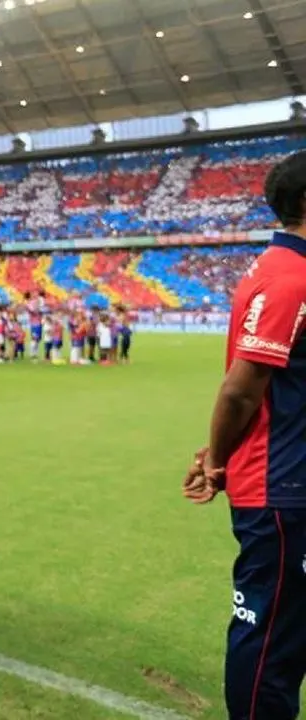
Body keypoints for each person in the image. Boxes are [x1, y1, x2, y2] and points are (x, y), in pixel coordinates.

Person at [183, 149, 306, 720]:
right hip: (281, 490)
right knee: (270, 646)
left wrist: (217, 451)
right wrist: (218, 459)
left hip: (288, 480)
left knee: (291, 636)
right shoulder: (291, 278)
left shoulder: (278, 271)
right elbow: (240, 389)